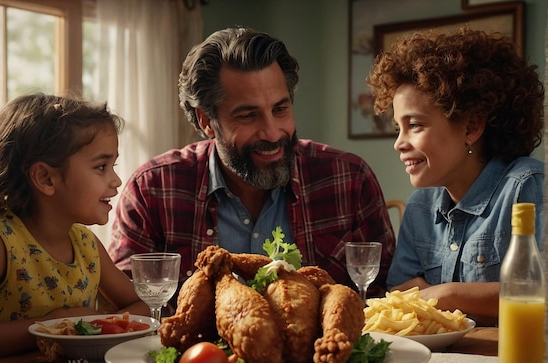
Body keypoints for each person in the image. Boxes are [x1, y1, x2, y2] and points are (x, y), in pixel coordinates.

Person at [109, 27, 396, 304]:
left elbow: (386, 295)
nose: (272, 133)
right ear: (206, 121)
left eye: (280, 109)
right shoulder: (152, 190)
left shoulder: (349, 179)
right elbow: (130, 311)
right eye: (248, 116)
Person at [0, 93, 149, 363]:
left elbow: (142, 305)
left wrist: (94, 325)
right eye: (101, 167)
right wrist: (54, 326)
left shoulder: (86, 246)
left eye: (112, 165)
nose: (116, 180)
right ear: (45, 178)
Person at [366, 27, 544, 326]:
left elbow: (538, 294)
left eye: (416, 125)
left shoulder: (528, 186)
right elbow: (399, 289)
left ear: (471, 127)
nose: (399, 142)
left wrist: (447, 294)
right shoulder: (421, 204)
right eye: (399, 127)